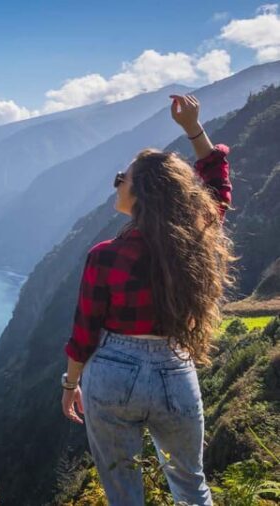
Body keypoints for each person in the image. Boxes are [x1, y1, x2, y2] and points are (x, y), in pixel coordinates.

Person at [59, 94, 238, 505]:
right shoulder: (194, 240)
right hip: (174, 369)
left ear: (141, 192)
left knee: (123, 493)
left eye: (122, 176)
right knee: (191, 486)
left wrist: (70, 384)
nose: (116, 182)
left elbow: (84, 331)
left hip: (111, 374)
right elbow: (217, 185)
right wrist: (195, 130)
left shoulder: (105, 255)